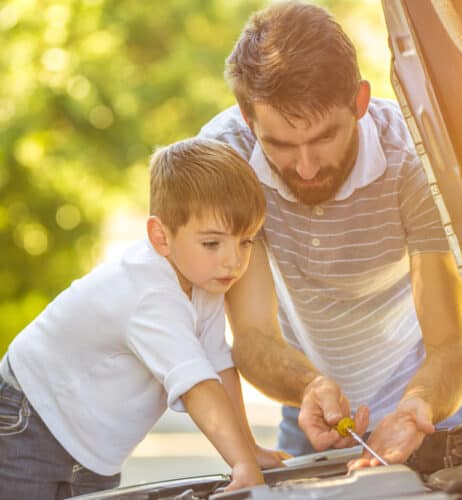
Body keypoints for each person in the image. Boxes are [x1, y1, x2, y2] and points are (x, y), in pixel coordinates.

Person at [198, 0, 462, 468]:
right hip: (311, 401)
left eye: (324, 138)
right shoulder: (225, 161)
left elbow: (449, 347)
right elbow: (252, 335)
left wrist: (417, 409)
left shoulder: (413, 161)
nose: (306, 167)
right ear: (247, 115)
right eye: (281, 145)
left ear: (359, 101)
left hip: (429, 400)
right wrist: (311, 387)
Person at [0, 138, 286, 500]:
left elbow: (218, 367)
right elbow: (198, 386)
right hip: (29, 416)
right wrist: (242, 465)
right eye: (213, 243)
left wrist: (247, 452)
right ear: (160, 237)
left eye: (245, 241)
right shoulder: (149, 292)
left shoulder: (205, 281)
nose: (233, 260)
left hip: (94, 449)